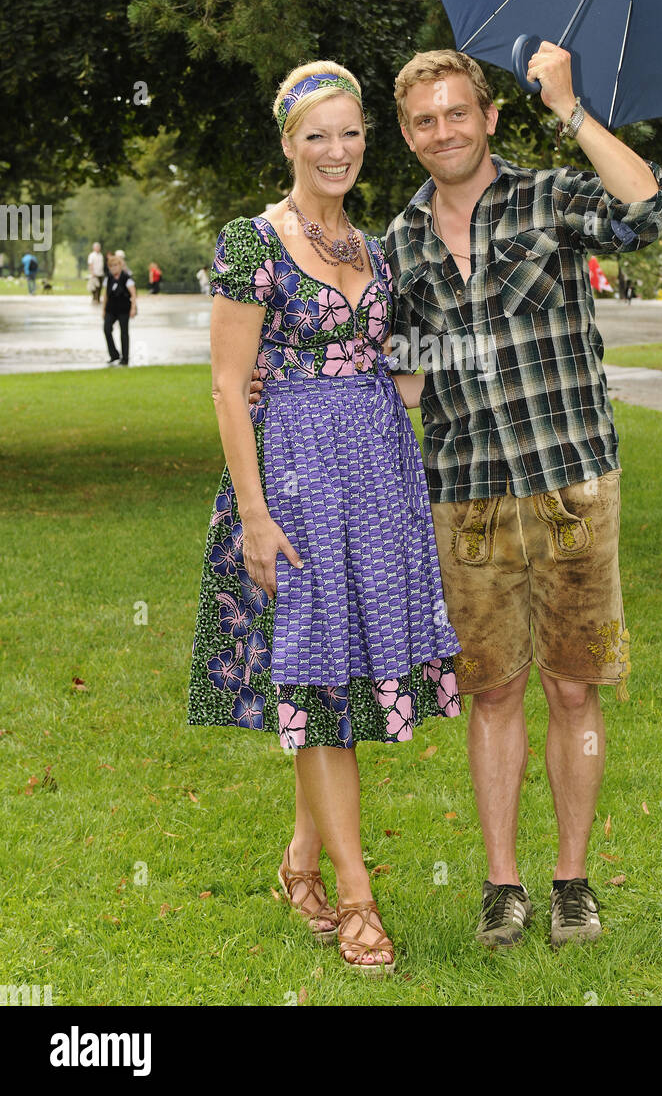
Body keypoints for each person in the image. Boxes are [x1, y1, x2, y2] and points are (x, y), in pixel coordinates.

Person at [251, 41, 662, 951]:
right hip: (464, 498)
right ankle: (502, 886)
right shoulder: (393, 246)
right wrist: (278, 384)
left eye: (457, 112)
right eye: (422, 119)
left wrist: (568, 105)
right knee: (493, 693)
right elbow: (385, 369)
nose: (442, 130)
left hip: (571, 484)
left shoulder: (550, 196)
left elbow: (648, 211)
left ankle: (570, 881)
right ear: (406, 136)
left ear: (487, 117)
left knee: (572, 690)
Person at [187, 61, 461, 975]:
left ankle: (302, 862)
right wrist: (255, 516)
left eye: (349, 133)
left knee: (343, 675)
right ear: (288, 143)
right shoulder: (249, 242)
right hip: (292, 482)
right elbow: (228, 387)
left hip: (376, 478)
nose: (336, 151)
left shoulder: (374, 249)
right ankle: (356, 902)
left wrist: (440, 317)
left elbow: (408, 378)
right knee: (311, 678)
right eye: (318, 136)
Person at [101, 252, 137, 364]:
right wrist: (103, 309)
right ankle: (114, 354)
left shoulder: (127, 278)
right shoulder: (109, 279)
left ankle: (125, 358)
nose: (113, 268)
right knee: (107, 329)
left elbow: (133, 294)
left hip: (123, 309)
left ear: (120, 265)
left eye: (116, 265)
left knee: (124, 332)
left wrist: (133, 308)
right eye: (111, 266)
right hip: (111, 309)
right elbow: (105, 295)